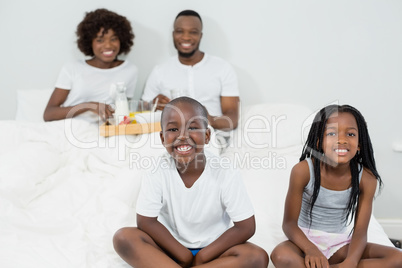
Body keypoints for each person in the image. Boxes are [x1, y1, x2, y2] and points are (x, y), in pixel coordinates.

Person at [113, 97, 268, 268]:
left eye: (193, 127)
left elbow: (245, 227)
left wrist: (202, 257)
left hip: (214, 253)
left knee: (257, 257)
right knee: (123, 238)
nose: (183, 136)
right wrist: (184, 255)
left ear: (207, 135)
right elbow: (146, 222)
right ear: (163, 138)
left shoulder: (225, 171)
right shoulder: (157, 170)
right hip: (170, 249)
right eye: (173, 129)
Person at [270, 104, 402, 268]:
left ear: (359, 144)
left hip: (339, 244)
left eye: (351, 134)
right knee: (281, 255)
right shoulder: (303, 171)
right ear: (319, 142)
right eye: (332, 133)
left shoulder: (367, 179)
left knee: (398, 258)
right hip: (304, 243)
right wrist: (311, 250)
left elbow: (360, 231)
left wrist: (351, 263)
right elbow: (289, 224)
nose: (342, 139)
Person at [141, 10, 239, 131]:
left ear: (200, 36)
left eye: (193, 32)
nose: (186, 37)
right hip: (171, 135)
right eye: (180, 31)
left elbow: (232, 119)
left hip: (209, 133)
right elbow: (141, 111)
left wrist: (210, 120)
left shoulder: (222, 68)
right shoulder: (159, 71)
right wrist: (152, 105)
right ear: (173, 34)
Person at [43, 8, 138, 122]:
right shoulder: (73, 68)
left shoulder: (130, 70)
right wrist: (88, 106)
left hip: (105, 131)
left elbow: (123, 109)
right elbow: (49, 114)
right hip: (71, 128)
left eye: (113, 39)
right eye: (100, 40)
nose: (108, 45)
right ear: (89, 42)